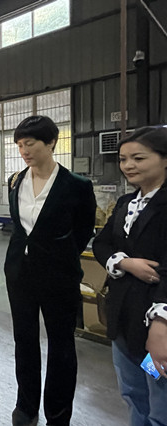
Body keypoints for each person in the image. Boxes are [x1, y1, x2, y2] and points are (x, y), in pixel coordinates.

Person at [5, 116, 96, 426]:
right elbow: (19, 228)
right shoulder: (15, 180)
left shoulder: (76, 185)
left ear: (51, 142)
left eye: (30, 143)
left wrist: (59, 254)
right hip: (19, 273)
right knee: (24, 339)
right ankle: (26, 405)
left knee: (61, 345)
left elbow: (83, 230)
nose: (24, 151)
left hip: (59, 276)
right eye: (20, 145)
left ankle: (57, 414)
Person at [92, 126, 167, 425]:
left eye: (139, 158)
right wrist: (126, 263)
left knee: (160, 402)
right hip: (124, 321)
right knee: (133, 393)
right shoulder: (126, 203)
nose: (128, 165)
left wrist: (161, 325)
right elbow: (102, 243)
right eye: (123, 159)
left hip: (157, 328)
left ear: (164, 159)